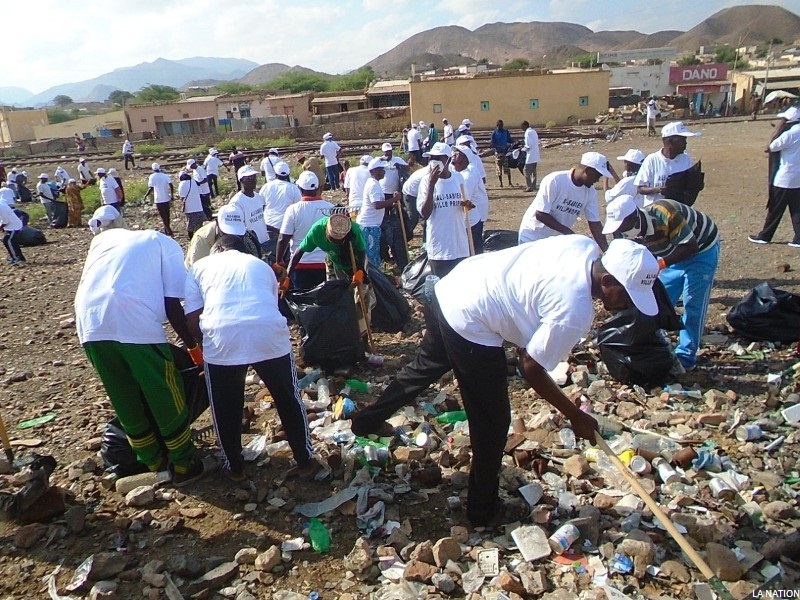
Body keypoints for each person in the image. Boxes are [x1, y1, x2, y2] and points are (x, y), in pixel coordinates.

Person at [350, 236, 659, 526]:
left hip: (454, 287)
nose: (628, 304)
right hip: (471, 318)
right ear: (607, 281)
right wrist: (575, 416)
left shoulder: (585, 247)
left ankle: (365, 421)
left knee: (426, 365)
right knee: (493, 421)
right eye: (628, 295)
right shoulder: (575, 309)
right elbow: (531, 368)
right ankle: (482, 510)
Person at [74, 205, 207, 485]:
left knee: (124, 395)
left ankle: (153, 462)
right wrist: (195, 349)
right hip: (132, 321)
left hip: (89, 324)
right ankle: (184, 464)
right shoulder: (161, 242)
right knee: (163, 392)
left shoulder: (99, 242)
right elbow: (173, 306)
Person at [184, 234, 315, 482]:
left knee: (225, 404)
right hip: (268, 332)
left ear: (217, 249)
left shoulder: (198, 267)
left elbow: (192, 321)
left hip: (222, 336)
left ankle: (235, 467)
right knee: (287, 397)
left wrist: (205, 351)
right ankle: (305, 460)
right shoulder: (261, 266)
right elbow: (269, 304)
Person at [603, 195, 720, 370]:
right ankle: (651, 344)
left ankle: (686, 357)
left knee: (693, 304)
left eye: (621, 226)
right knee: (659, 300)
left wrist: (659, 265)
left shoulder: (664, 213)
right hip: (670, 253)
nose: (619, 232)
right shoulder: (623, 232)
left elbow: (690, 246)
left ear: (635, 218)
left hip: (701, 251)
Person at [518, 152, 610, 250]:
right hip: (531, 239)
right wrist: (569, 233)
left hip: (555, 242)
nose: (597, 180)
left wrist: (607, 251)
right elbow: (541, 214)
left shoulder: (590, 192)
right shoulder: (555, 180)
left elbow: (594, 223)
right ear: (587, 170)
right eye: (597, 176)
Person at [417, 143, 472, 276]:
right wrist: (431, 184)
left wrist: (467, 205)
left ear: (448, 159)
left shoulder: (458, 178)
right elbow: (425, 213)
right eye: (431, 158)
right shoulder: (426, 181)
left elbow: (466, 205)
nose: (434, 162)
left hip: (459, 246)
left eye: (438, 158)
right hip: (439, 248)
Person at [749, 105, 800, 246]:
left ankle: (765, 236)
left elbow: (770, 147)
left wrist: (779, 129)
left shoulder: (791, 133)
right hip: (798, 178)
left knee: (775, 209)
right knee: (796, 209)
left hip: (785, 177)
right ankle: (799, 238)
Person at [276, 171, 335, 290]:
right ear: (318, 188)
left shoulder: (293, 210)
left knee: (303, 300)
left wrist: (279, 260)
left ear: (299, 188)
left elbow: (283, 239)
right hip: (325, 264)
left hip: (300, 264)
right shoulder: (331, 209)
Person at [287, 213, 367, 283]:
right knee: (337, 291)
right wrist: (287, 276)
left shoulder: (354, 230)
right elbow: (300, 251)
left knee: (362, 294)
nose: (336, 243)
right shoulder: (316, 230)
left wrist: (361, 270)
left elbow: (361, 250)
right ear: (326, 231)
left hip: (355, 260)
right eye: (333, 240)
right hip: (334, 261)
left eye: (340, 241)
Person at [635, 121, 700, 206]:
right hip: (655, 212)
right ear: (670, 141)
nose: (686, 143)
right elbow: (640, 188)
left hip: (679, 212)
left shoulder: (686, 159)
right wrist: (658, 190)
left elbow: (690, 186)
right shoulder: (652, 160)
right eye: (682, 140)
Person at [184, 204, 260, 268]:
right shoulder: (202, 239)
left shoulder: (245, 235)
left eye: (235, 232)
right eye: (227, 231)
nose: (231, 236)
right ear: (217, 222)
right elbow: (199, 272)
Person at [357, 157, 398, 268]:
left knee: (373, 255)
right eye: (381, 169)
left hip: (371, 225)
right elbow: (377, 205)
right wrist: (394, 200)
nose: (384, 171)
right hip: (369, 226)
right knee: (371, 258)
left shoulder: (374, 183)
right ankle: (372, 281)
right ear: (373, 171)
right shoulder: (373, 185)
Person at [260, 161, 301, 259]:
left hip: (269, 226)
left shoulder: (266, 187)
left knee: (270, 258)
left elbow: (260, 207)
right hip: (286, 228)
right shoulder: (293, 188)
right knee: (284, 258)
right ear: (288, 173)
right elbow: (298, 208)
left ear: (275, 173)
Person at [453, 144, 489, 254]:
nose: (453, 155)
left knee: (473, 250)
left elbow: (463, 198)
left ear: (464, 158)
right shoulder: (458, 172)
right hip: (466, 218)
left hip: (471, 220)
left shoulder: (468, 175)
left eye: (457, 154)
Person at [379, 143, 410, 269]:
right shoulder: (380, 161)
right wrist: (381, 160)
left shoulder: (397, 160)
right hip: (384, 193)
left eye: (390, 151)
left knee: (397, 216)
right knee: (385, 217)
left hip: (396, 192)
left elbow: (408, 168)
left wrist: (400, 165)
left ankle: (400, 234)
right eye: (386, 152)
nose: (388, 154)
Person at [229, 165, 269, 252]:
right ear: (241, 180)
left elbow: (261, 219)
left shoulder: (259, 197)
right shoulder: (237, 202)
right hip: (252, 246)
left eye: (254, 177)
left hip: (264, 240)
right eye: (249, 178)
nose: (253, 180)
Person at [143, 163, 174, 237]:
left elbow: (151, 188)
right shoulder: (165, 176)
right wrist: (172, 195)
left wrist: (145, 195)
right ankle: (167, 230)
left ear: (153, 169)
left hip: (158, 199)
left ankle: (169, 231)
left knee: (163, 216)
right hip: (166, 198)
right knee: (167, 215)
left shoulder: (152, 177)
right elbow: (171, 185)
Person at [177, 169, 207, 239]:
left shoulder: (182, 184)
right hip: (199, 207)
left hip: (189, 209)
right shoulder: (194, 182)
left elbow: (182, 197)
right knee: (201, 224)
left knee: (190, 226)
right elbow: (200, 193)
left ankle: (192, 239)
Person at [0, 201, 25, 266]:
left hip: (14, 226)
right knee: (7, 241)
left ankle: (17, 259)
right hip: (9, 226)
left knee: (9, 241)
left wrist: (1, 227)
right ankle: (17, 258)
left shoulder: (2, 208)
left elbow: (5, 221)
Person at [490, 120, 514, 188]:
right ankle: (501, 183)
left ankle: (509, 182)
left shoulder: (505, 132)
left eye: (502, 125)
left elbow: (509, 139)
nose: (501, 127)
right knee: (499, 169)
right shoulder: (494, 133)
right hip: (498, 153)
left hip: (505, 152)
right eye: (500, 126)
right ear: (497, 126)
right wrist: (498, 147)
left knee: (507, 168)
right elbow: (492, 144)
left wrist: (514, 141)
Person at [522, 120, 540, 192]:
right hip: (536, 154)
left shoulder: (527, 133)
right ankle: (534, 185)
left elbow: (528, 146)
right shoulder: (533, 131)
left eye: (522, 127)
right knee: (533, 171)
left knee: (526, 171)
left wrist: (522, 149)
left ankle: (529, 186)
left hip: (530, 155)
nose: (522, 129)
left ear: (525, 126)